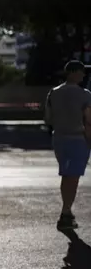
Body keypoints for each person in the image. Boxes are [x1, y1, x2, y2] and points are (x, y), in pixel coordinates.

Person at [44, 60, 91, 231]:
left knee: (66, 174)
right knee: (73, 177)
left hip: (59, 138)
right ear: (73, 72)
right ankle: (65, 213)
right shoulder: (85, 94)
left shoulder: (53, 93)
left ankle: (67, 212)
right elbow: (89, 120)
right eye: (81, 72)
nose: (83, 75)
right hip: (78, 139)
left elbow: (48, 118)